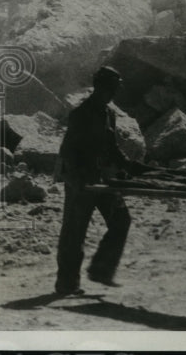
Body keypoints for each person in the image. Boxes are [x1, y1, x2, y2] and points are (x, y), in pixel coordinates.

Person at [54, 65, 137, 296]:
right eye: (111, 87)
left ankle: (101, 270)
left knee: (121, 220)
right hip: (80, 182)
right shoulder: (81, 114)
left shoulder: (109, 114)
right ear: (101, 86)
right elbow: (67, 151)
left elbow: (112, 148)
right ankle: (66, 283)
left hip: (102, 180)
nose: (114, 93)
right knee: (74, 233)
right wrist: (77, 179)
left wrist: (130, 166)